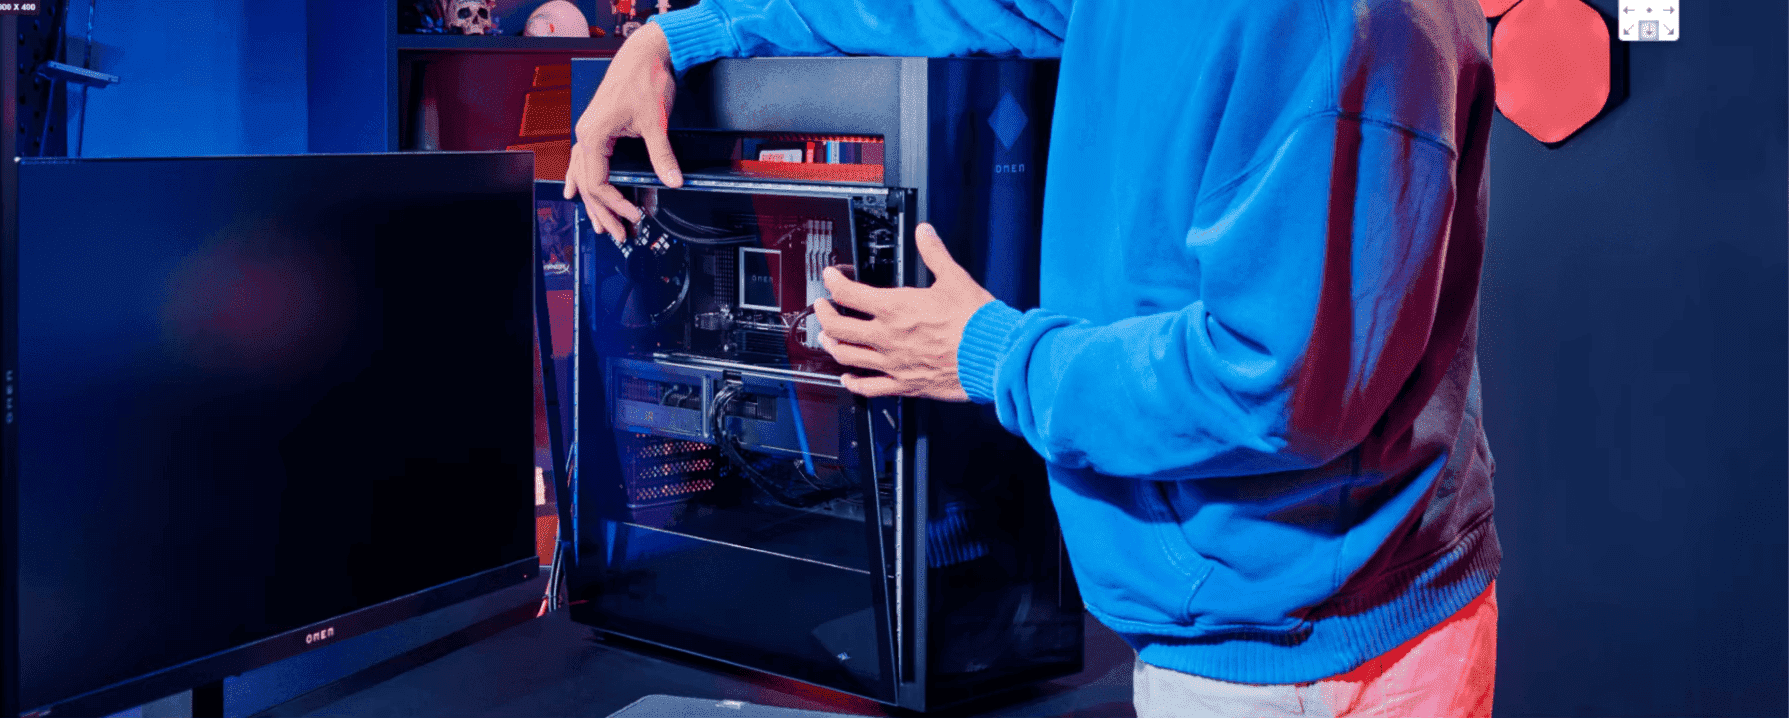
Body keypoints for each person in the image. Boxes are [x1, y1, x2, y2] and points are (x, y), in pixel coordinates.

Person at [564, 1, 1500, 716]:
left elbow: (1274, 384)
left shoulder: (1328, 23)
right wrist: (679, 38)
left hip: (1313, 659)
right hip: (1216, 619)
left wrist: (990, 356)